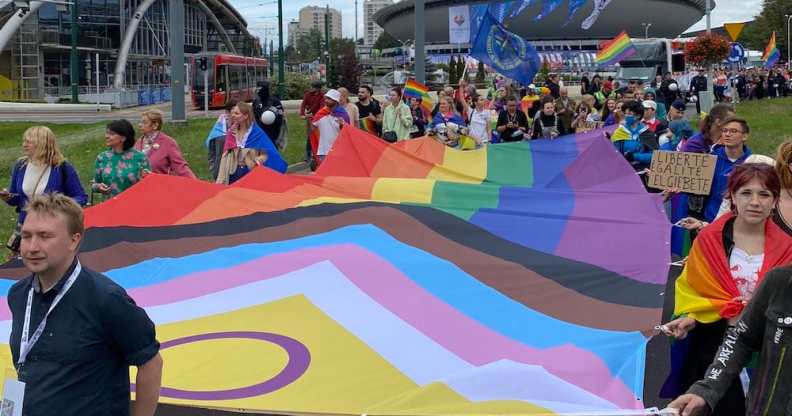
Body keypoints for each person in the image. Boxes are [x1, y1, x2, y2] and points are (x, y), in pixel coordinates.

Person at [8, 193, 162, 416]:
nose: (32, 247)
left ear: (74, 240)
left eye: (44, 236)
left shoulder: (106, 299)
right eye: (27, 236)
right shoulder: (19, 295)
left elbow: (151, 362)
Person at [661, 163, 792, 416]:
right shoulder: (710, 239)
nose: (755, 202)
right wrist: (692, 317)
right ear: (732, 196)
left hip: (768, 346)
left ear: (775, 200)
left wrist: (756, 305)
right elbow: (696, 288)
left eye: (764, 194)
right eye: (746, 193)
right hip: (714, 342)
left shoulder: (788, 248)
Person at [2, 127, 87, 256]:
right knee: (23, 266)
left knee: (48, 262)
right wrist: (6, 197)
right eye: (24, 141)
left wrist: (57, 205)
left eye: (29, 141)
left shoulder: (62, 167)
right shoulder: (20, 166)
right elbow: (16, 199)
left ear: (42, 143)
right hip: (26, 225)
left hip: (52, 226)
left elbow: (81, 197)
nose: (24, 144)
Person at [216, 102, 287, 184]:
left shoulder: (257, 133)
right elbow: (225, 154)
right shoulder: (232, 132)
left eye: (236, 113)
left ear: (246, 116)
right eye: (232, 113)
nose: (233, 115)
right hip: (233, 172)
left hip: (250, 173)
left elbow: (266, 154)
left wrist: (260, 159)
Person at [92, 120, 150, 197]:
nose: (106, 136)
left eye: (111, 134)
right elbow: (95, 184)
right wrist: (98, 187)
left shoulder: (141, 158)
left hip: (135, 204)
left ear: (123, 138)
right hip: (110, 206)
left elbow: (149, 184)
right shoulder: (102, 158)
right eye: (107, 133)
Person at [134, 110, 195, 178]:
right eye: (140, 122)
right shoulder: (138, 143)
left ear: (155, 125)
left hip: (160, 185)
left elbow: (180, 167)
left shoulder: (168, 142)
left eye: (144, 122)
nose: (140, 125)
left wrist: (196, 184)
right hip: (139, 186)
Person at [610, 100, 658, 172]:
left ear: (638, 116)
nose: (626, 116)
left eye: (629, 114)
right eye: (625, 113)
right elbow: (613, 154)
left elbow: (654, 156)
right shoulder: (619, 131)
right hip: (622, 171)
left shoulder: (647, 133)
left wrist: (635, 156)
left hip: (642, 171)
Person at [312, 89, 350, 162]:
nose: (326, 100)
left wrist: (342, 125)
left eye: (329, 99)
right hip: (324, 150)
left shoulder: (343, 114)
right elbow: (312, 129)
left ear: (335, 101)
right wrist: (309, 119)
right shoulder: (321, 113)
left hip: (339, 151)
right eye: (326, 98)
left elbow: (347, 133)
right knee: (325, 173)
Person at [205, 100, 236, 181]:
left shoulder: (225, 123)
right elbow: (217, 156)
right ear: (227, 112)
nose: (236, 116)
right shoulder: (221, 134)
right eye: (234, 113)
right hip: (220, 172)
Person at [252, 80, 286, 150]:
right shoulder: (256, 102)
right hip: (260, 131)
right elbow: (254, 115)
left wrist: (277, 128)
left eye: (260, 89)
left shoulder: (274, 101)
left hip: (272, 131)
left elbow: (280, 116)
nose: (258, 92)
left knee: (272, 150)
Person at [300, 80, 325, 163]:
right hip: (310, 118)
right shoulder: (308, 95)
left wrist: (317, 116)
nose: (311, 89)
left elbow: (322, 107)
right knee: (310, 136)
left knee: (319, 136)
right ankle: (307, 154)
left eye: (313, 87)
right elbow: (303, 105)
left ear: (318, 88)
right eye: (311, 87)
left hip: (319, 117)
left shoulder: (322, 96)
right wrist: (302, 114)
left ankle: (318, 153)